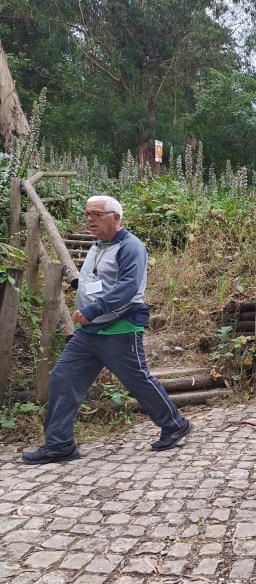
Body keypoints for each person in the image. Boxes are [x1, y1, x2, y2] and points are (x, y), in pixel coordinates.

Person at [21, 196, 192, 464]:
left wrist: (91, 310)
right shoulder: (97, 245)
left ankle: (174, 424)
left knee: (137, 380)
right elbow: (99, 280)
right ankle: (59, 444)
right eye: (87, 213)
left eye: (97, 214)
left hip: (120, 327)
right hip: (89, 333)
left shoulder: (131, 247)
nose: (90, 219)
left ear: (116, 217)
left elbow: (128, 287)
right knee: (63, 378)